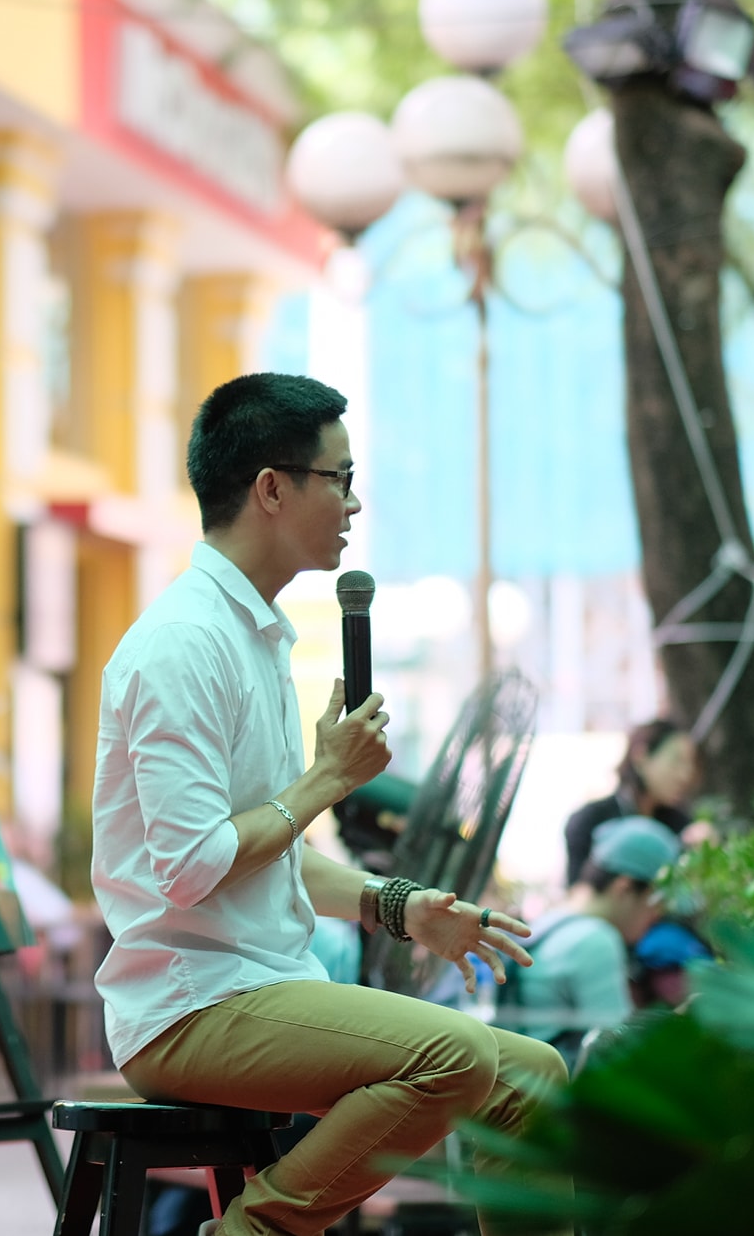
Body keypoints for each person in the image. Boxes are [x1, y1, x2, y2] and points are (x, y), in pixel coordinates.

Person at [91, 373, 568, 1236]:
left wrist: (402, 906)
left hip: (265, 986)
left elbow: (270, 847)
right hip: (189, 1003)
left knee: (531, 1077)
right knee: (452, 1053)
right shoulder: (181, 644)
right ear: (273, 488)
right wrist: (324, 781)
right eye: (339, 478)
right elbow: (193, 865)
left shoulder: (258, 635)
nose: (353, 502)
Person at [508, 816, 682, 1071]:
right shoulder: (596, 940)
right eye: (656, 901)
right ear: (624, 888)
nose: (658, 914)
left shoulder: (551, 921)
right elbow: (619, 1056)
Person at [562, 719, 702, 887]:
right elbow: (579, 893)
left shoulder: (682, 827)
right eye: (676, 761)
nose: (685, 775)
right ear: (641, 756)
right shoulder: (589, 820)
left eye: (689, 764)